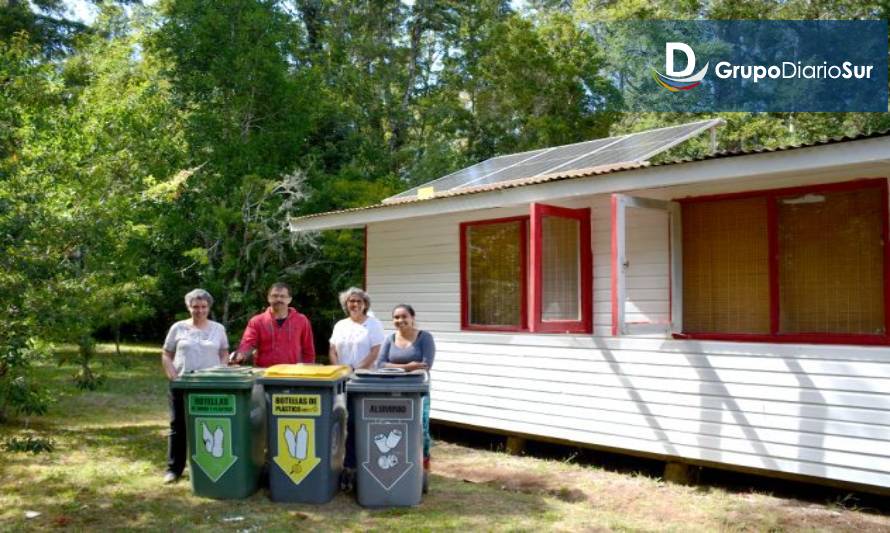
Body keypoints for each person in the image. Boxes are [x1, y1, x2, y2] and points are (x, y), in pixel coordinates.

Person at [161, 289, 229, 484]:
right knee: (178, 426)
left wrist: (222, 369)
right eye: (195, 307)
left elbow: (224, 352)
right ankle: (174, 469)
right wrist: (171, 373)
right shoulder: (178, 328)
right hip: (182, 383)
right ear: (188, 307)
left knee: (208, 426)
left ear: (209, 308)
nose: (199, 310)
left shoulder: (218, 329)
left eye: (203, 307)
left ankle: (207, 465)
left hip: (210, 384)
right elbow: (166, 353)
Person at [377, 304, 435, 493]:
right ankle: (400, 466)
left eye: (404, 317)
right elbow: (379, 364)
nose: (400, 321)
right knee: (395, 430)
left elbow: (426, 365)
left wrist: (396, 367)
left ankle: (423, 470)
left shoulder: (424, 338)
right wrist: (408, 366)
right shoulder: (389, 338)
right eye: (396, 317)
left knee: (422, 429)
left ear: (412, 317)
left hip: (418, 390)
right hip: (393, 390)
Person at [231, 282, 315, 367]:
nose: (278, 299)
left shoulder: (301, 320)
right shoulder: (257, 321)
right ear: (268, 298)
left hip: (293, 374)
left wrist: (308, 370)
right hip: (265, 372)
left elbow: (308, 350)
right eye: (274, 296)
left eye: (282, 296)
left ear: (289, 299)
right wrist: (241, 355)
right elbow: (247, 343)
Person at [328, 287, 384, 370]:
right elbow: (332, 351)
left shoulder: (374, 324)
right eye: (352, 301)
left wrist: (355, 370)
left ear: (365, 304)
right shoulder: (339, 325)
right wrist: (339, 370)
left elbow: (375, 352)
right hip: (341, 376)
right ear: (346, 304)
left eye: (359, 301)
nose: (356, 304)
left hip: (365, 377)